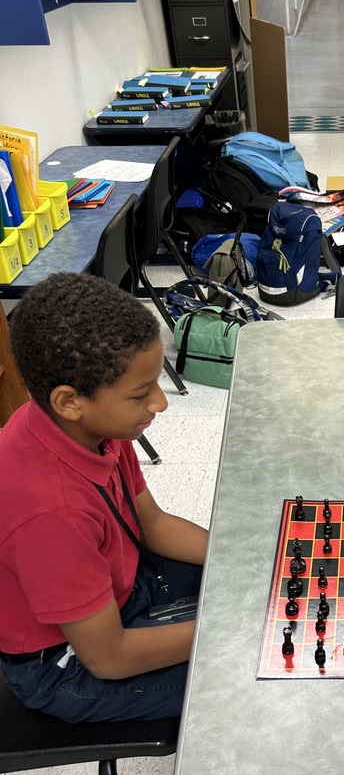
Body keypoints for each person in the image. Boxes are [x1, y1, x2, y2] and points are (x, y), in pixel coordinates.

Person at [0, 273, 208, 723]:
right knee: (250, 667)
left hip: (121, 588)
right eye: (140, 393)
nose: (161, 403)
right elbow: (108, 657)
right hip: (66, 665)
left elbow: (151, 524)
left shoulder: (94, 428)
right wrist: (227, 627)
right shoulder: (51, 513)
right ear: (70, 401)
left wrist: (242, 559)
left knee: (263, 582)